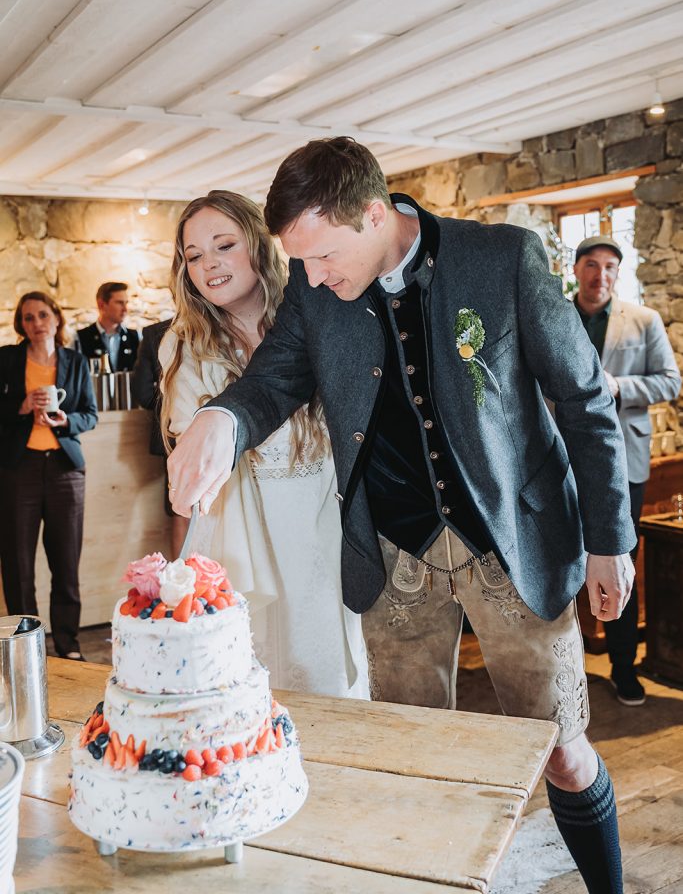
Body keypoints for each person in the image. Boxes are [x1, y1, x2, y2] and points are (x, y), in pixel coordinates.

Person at [167, 138, 638, 894]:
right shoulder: (315, 295)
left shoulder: (503, 258)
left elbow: (585, 406)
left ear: (375, 213)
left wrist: (609, 541)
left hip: (514, 542)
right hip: (395, 562)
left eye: (322, 257)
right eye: (303, 264)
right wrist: (219, 421)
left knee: (560, 748)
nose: (313, 279)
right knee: (420, 752)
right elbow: (267, 383)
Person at [159, 190, 368, 698]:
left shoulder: (317, 317)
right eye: (194, 256)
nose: (209, 264)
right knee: (259, 686)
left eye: (224, 245)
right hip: (246, 538)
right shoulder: (185, 346)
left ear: (257, 244)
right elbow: (192, 478)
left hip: (328, 523)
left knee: (336, 679)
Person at [573, 235, 681, 706]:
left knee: (618, 562)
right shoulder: (552, 315)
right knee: (560, 564)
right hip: (557, 462)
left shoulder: (644, 321)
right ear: (576, 269)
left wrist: (620, 386)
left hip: (624, 465)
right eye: (592, 265)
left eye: (611, 267)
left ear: (619, 273)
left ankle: (622, 668)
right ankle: (566, 668)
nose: (601, 275)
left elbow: (671, 381)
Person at [0, 291, 97, 659]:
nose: (36, 323)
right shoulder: (7, 359)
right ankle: (25, 647)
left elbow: (89, 413)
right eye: (28, 318)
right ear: (20, 324)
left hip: (64, 470)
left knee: (66, 563)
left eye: (42, 315)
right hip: (17, 470)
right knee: (18, 564)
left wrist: (66, 419)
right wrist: (22, 405)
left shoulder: (74, 361)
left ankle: (68, 645)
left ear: (56, 319)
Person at [131, 319, 190, 559]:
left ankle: (183, 584)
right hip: (226, 431)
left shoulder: (156, 332)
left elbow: (143, 393)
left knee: (181, 510)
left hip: (175, 435)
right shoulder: (223, 319)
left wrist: (175, 409)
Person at [77, 282, 140, 371]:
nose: (125, 309)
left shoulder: (135, 337)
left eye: (126, 303)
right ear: (101, 305)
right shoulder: (81, 338)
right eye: (119, 303)